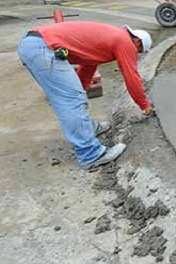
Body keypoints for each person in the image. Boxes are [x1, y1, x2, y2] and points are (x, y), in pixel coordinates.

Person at [17, 22, 154, 169]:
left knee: (75, 97)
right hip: (43, 48)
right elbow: (131, 76)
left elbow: (88, 64)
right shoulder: (124, 41)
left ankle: (89, 129)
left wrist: (81, 89)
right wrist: (144, 105)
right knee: (71, 100)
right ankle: (91, 155)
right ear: (137, 42)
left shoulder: (111, 37)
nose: (135, 54)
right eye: (138, 51)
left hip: (34, 45)